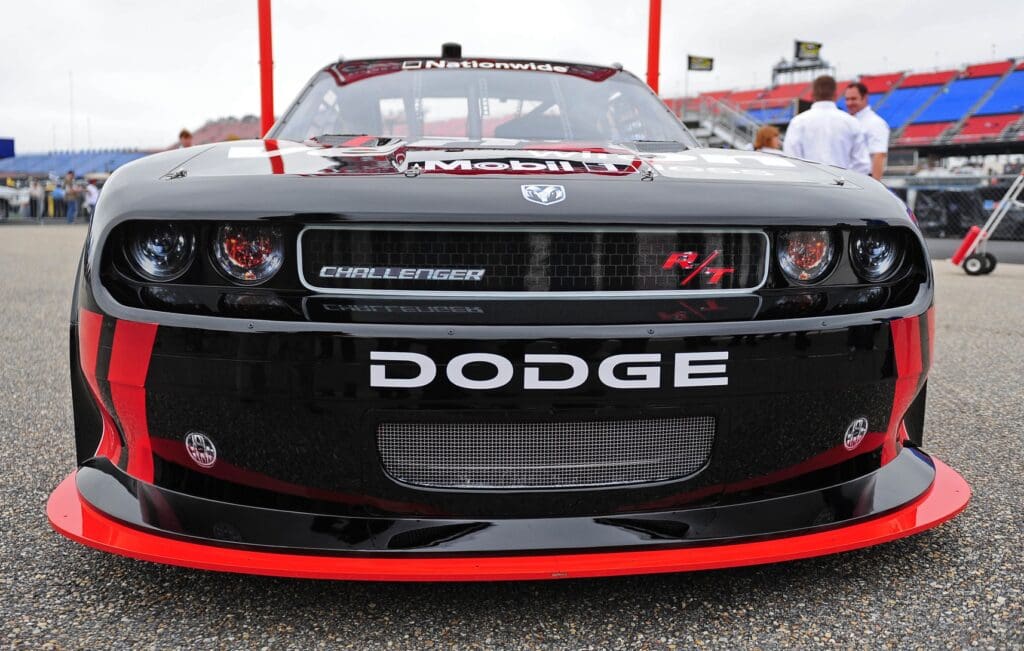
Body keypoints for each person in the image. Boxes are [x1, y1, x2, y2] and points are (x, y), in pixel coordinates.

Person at [782, 75, 870, 175]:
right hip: (843, 185)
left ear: (812, 95)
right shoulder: (852, 122)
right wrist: (846, 180)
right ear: (836, 95)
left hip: (809, 185)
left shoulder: (797, 122)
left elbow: (791, 159)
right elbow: (862, 164)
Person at [843, 82, 890, 181]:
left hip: (864, 180)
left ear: (864, 98)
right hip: (847, 179)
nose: (849, 103)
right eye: (847, 99)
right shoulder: (848, 121)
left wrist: (875, 188)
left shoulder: (875, 123)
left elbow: (879, 155)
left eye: (853, 99)